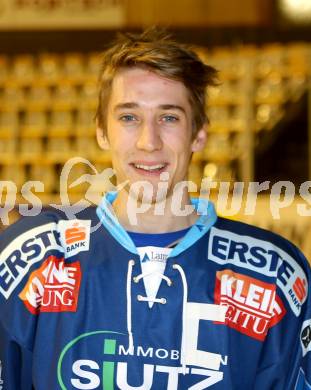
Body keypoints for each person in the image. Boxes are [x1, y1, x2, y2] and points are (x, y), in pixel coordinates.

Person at [0, 28, 310, 390]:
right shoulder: (32, 260)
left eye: (169, 117)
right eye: (129, 118)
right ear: (102, 131)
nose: (149, 142)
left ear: (199, 133)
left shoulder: (273, 275)